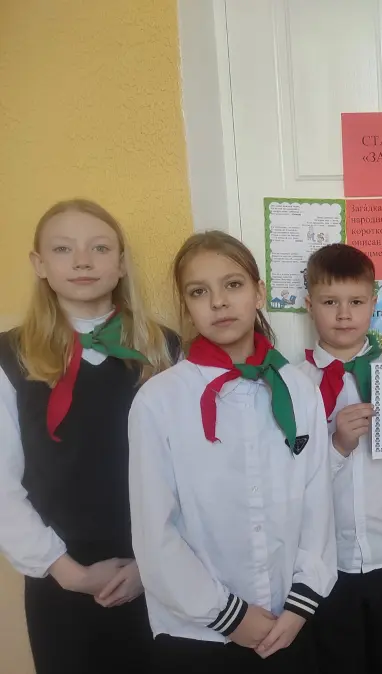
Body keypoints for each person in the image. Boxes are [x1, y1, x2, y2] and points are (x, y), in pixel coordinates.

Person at [129, 231, 336, 673]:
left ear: (258, 293)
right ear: (186, 306)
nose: (219, 302)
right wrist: (229, 616)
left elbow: (317, 503)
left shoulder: (299, 389)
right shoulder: (159, 400)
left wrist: (301, 604)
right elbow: (154, 532)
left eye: (233, 285)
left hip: (288, 623)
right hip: (198, 634)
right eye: (199, 292)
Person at [0, 199, 175, 673]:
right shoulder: (10, 356)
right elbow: (2, 487)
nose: (82, 261)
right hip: (61, 583)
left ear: (121, 263)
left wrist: (151, 565)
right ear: (39, 264)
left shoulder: (165, 350)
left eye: (99, 248)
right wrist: (68, 572)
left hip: (163, 575)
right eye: (63, 249)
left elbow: (190, 474)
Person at [300, 243, 382, 674]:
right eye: (329, 302)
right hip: (324, 562)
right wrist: (336, 446)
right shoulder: (292, 384)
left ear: (374, 304)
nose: (343, 314)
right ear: (309, 305)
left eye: (356, 302)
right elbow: (284, 478)